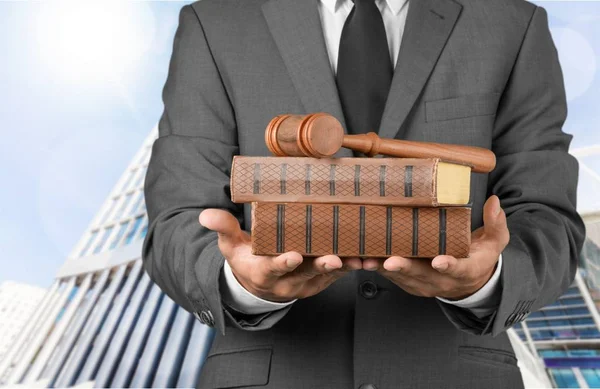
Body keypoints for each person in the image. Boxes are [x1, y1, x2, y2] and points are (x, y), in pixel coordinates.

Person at [142, 0, 586, 387]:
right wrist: (241, 283)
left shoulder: (512, 23)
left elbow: (548, 217)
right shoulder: (215, 22)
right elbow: (177, 220)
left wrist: (485, 281)